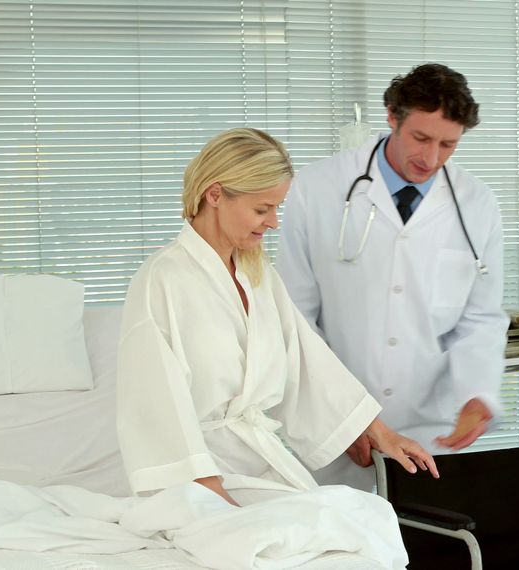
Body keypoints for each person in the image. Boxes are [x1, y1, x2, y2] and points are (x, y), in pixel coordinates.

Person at [116, 128, 438, 566]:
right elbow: (155, 403)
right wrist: (212, 497)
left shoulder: (257, 274)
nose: (273, 222)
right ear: (215, 194)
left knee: (368, 517)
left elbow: (304, 359)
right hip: (194, 477)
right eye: (262, 209)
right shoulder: (163, 280)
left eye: (277, 209)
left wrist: (374, 430)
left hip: (256, 462)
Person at [276, 63, 508, 490]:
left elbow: (481, 319)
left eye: (448, 145)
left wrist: (478, 395)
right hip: (338, 431)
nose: (431, 158)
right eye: (421, 138)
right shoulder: (317, 188)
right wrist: (341, 416)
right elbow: (294, 317)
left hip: (431, 434)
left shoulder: (477, 203)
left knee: (434, 550)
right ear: (392, 117)